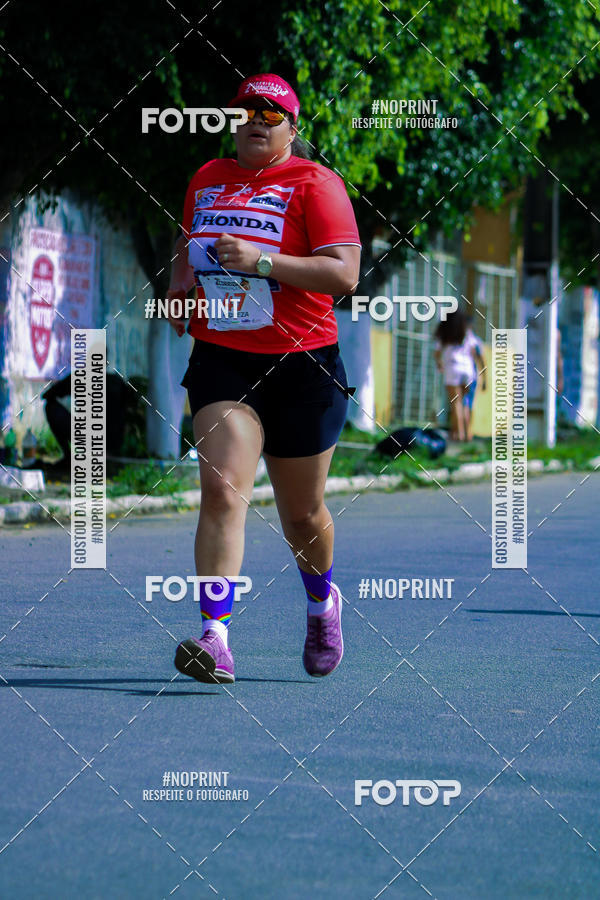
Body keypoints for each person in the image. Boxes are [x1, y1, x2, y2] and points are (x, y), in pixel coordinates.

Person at [167, 74, 361, 684]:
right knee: (224, 490)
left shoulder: (316, 184)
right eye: (247, 110)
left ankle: (320, 602)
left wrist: (263, 262)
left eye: (271, 114)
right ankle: (215, 636)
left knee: (301, 514)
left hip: (302, 364)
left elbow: (345, 273)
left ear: (291, 128)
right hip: (224, 356)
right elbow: (187, 238)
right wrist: (178, 283)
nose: (257, 120)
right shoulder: (208, 177)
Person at [433, 310, 481, 442]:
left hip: (453, 368)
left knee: (456, 404)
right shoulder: (466, 332)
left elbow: (437, 352)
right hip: (468, 370)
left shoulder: (444, 332)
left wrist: (440, 364)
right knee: (465, 404)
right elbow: (475, 352)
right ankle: (466, 433)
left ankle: (459, 435)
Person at [462, 317, 487, 441]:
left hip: (463, 376)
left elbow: (481, 361)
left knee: (462, 404)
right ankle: (466, 432)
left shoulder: (464, 340)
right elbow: (481, 361)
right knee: (466, 404)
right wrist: (485, 379)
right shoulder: (474, 341)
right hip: (469, 376)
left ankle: (463, 432)